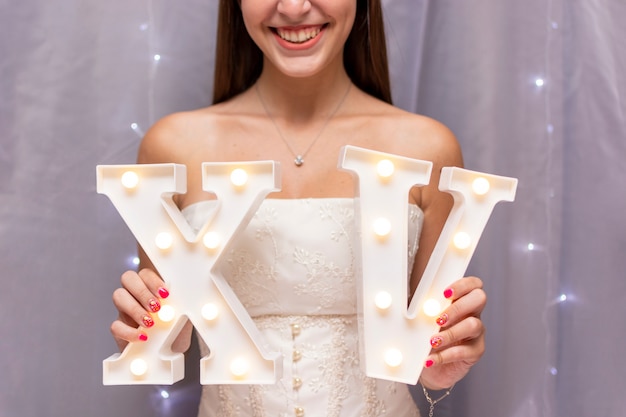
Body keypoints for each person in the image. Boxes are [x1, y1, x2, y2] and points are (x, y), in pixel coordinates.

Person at [110, 0, 487, 415]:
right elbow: (165, 334)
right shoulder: (173, 146)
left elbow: (426, 349)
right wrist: (148, 333)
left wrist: (440, 364)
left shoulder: (427, 150)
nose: (292, 7)